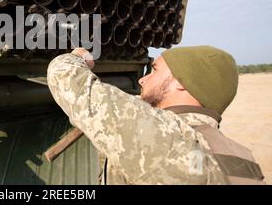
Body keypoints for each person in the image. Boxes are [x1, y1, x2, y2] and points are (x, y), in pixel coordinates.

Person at [47, 45, 265, 185]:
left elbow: (67, 79)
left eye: (155, 70)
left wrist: (78, 57)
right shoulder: (244, 160)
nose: (142, 80)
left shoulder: (169, 137)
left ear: (180, 83)